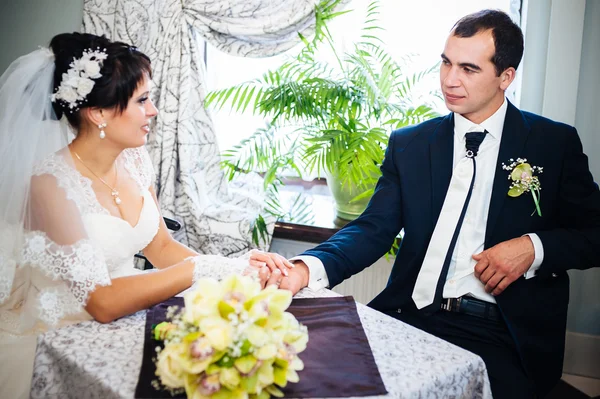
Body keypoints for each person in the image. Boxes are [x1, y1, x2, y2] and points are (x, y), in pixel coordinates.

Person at [278, 9, 600, 399]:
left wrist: (533, 247)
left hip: (501, 332)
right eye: (446, 63)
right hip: (407, 315)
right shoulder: (410, 144)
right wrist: (304, 268)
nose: (450, 80)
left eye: (468, 68)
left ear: (506, 77)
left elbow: (594, 233)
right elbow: (372, 229)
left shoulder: (554, 144)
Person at [0, 32, 290, 399]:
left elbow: (162, 248)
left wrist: (232, 269)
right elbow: (102, 301)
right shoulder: (50, 184)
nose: (153, 110)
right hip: (63, 333)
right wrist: (198, 270)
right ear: (99, 113)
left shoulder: (135, 159)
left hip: (130, 312)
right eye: (142, 100)